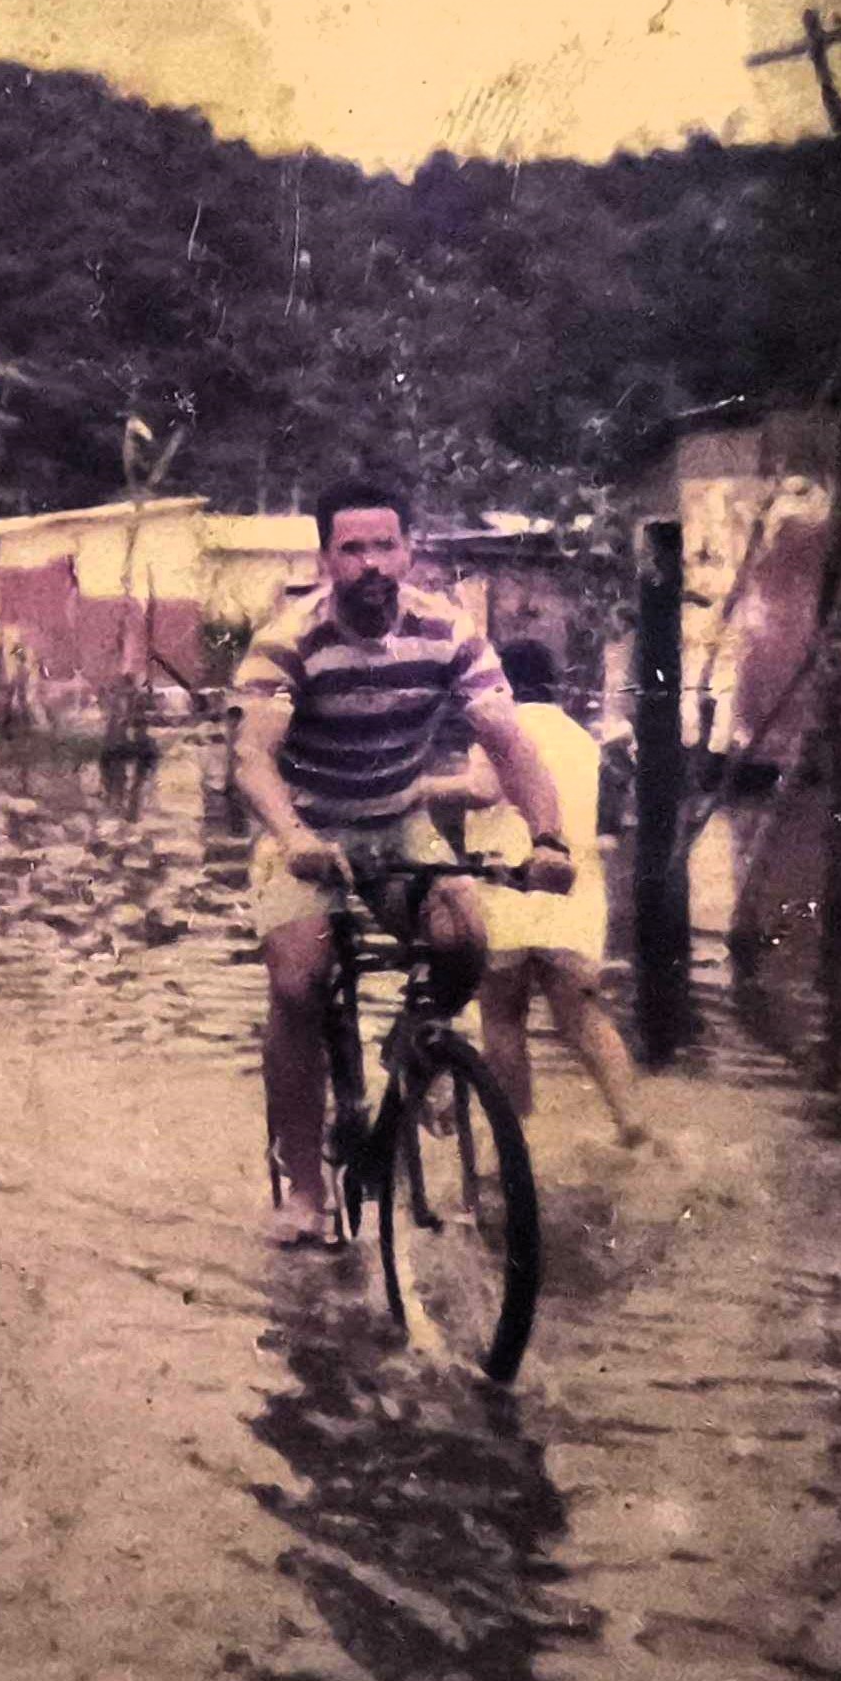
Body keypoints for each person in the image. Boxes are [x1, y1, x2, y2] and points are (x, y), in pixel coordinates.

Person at [232, 478, 576, 1249]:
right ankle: (304, 1185)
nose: (371, 563)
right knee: (298, 982)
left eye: (385, 545)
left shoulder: (451, 632)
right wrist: (292, 835)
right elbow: (253, 759)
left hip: (398, 822)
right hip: (307, 827)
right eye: (351, 548)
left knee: (466, 942)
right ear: (326, 560)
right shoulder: (288, 640)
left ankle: (413, 1049)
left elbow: (509, 744)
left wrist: (548, 838)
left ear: (409, 552)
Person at [423, 640, 646, 1145]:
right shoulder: (581, 740)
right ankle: (631, 1122)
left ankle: (516, 1138)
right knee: (584, 1018)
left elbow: (483, 789)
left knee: (502, 1019)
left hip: (509, 892)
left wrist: (420, 789)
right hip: (574, 898)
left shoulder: (498, 730)